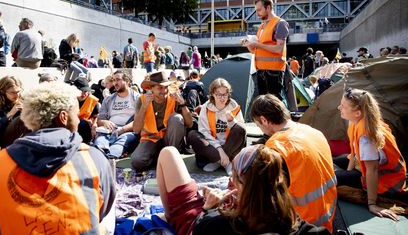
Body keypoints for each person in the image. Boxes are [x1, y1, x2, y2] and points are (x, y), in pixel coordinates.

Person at [0, 82, 116, 233]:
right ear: (63, 117)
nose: (78, 120)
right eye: (76, 114)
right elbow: (102, 209)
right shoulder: (93, 159)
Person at [156, 145, 331, 235]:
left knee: (168, 152)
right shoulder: (289, 221)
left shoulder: (220, 224)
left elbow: (199, 230)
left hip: (194, 221)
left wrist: (207, 208)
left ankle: (170, 217)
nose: (230, 182)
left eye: (234, 178)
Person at [250, 94, 337, 232]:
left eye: (258, 124)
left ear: (264, 120)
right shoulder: (314, 131)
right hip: (327, 217)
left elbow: (266, 196)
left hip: (301, 224)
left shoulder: (278, 147)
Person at [335, 88, 406, 221]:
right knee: (337, 161)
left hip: (386, 182)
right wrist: (348, 173)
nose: (339, 108)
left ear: (357, 112)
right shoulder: (357, 122)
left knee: (331, 178)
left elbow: (372, 170)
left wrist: (372, 203)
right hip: (368, 169)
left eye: (343, 106)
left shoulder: (367, 137)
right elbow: (354, 152)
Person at [131, 71, 193, 171]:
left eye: (166, 87)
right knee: (137, 162)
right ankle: (159, 157)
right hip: (150, 139)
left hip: (168, 139)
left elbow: (190, 124)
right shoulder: (142, 100)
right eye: (160, 87)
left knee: (177, 118)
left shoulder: (174, 98)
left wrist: (183, 104)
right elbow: (136, 129)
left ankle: (172, 158)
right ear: (151, 89)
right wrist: (144, 107)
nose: (164, 91)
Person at [187, 78, 246, 174]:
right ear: (213, 94)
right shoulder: (206, 107)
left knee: (240, 129)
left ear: (229, 93)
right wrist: (220, 150)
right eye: (219, 94)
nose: (222, 98)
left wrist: (231, 121)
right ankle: (223, 162)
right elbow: (204, 132)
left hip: (230, 145)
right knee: (193, 135)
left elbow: (241, 130)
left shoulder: (233, 105)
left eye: (225, 94)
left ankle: (219, 161)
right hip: (213, 145)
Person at [242, 0, 289, 99]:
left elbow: (278, 49)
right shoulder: (262, 26)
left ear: (268, 8)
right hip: (260, 70)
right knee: (263, 103)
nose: (257, 13)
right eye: (256, 10)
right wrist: (249, 45)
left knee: (273, 102)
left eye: (259, 10)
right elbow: (255, 51)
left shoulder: (280, 23)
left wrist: (257, 44)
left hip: (274, 71)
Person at [94, 71, 140, 159]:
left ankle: (109, 159)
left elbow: (139, 121)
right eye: (114, 80)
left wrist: (122, 129)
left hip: (127, 131)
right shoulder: (108, 99)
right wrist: (105, 122)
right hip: (108, 131)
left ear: (127, 81)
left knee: (115, 149)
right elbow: (100, 120)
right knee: (99, 146)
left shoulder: (138, 98)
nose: (115, 83)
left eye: (118, 80)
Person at [0, 76, 24, 147]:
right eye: (12, 92)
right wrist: (10, 114)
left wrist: (26, 113)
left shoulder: (23, 101)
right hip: (0, 142)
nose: (17, 95)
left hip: (18, 141)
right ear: (2, 91)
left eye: (18, 91)